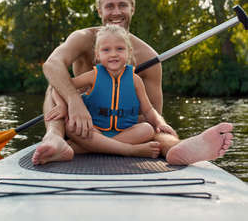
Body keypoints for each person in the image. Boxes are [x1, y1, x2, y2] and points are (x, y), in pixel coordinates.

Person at [32, 0, 233, 166]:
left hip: (122, 126)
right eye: (109, 6)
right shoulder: (83, 38)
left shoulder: (148, 57)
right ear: (99, 10)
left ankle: (176, 148)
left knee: (151, 128)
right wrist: (74, 101)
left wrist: (159, 123)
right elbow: (52, 65)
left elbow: (152, 112)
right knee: (56, 83)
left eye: (122, 5)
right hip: (81, 125)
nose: (116, 12)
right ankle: (54, 138)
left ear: (132, 9)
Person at [45, 24, 176, 158]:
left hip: (124, 132)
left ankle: (90, 148)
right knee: (71, 126)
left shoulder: (135, 80)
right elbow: (58, 87)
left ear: (129, 52)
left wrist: (161, 122)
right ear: (98, 55)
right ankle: (129, 150)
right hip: (94, 131)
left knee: (147, 129)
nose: (113, 54)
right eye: (106, 50)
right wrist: (62, 105)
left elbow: (148, 110)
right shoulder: (93, 76)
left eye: (119, 49)